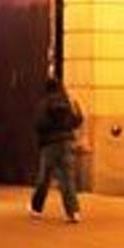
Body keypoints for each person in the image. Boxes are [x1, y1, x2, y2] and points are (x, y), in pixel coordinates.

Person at [29, 76, 83, 222]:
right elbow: (78, 120)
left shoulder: (43, 103)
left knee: (44, 178)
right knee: (67, 179)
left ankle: (36, 209)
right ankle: (74, 212)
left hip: (50, 145)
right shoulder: (67, 102)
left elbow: (38, 124)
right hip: (67, 142)